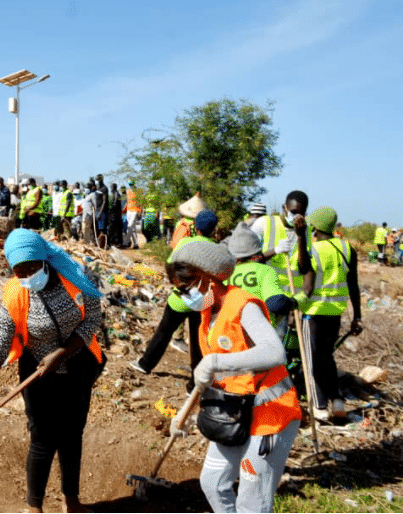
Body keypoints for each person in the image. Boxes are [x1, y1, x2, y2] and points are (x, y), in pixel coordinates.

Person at [0, 229, 104, 513]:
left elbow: (92, 319)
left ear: (44, 260)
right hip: (37, 375)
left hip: (77, 367)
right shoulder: (16, 293)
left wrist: (64, 353)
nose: (27, 275)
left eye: (31, 267)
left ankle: (72, 501)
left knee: (72, 435)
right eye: (19, 271)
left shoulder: (72, 277)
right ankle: (34, 506)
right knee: (42, 438)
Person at [166, 241, 301, 513]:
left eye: (185, 289)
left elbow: (275, 352)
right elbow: (218, 373)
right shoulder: (207, 313)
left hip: (270, 412)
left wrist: (216, 361)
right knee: (213, 482)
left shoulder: (243, 305)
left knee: (252, 500)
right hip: (235, 410)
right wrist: (182, 415)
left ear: (207, 279)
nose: (183, 296)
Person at [129, 209, 218, 383]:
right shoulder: (216, 249)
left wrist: (180, 286)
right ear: (213, 229)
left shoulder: (186, 244)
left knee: (163, 332)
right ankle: (195, 383)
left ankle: (145, 364)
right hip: (203, 300)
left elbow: (170, 265)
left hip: (180, 297)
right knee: (198, 342)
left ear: (196, 227)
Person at [298, 206, 363, 421]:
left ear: (315, 227)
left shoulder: (313, 250)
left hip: (313, 313)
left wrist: (293, 305)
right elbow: (353, 285)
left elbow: (306, 286)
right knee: (327, 357)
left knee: (311, 361)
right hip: (335, 312)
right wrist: (357, 316)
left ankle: (318, 407)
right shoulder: (347, 249)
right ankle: (336, 401)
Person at [248, 190, 312, 292]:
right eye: (294, 212)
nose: (297, 217)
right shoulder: (263, 223)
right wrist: (275, 251)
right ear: (284, 208)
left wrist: (301, 237)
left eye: (302, 213)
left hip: (291, 296)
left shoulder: (306, 229)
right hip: (266, 294)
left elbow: (305, 268)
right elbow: (248, 259)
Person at [80, 182, 99, 246]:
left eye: (87, 188)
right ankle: (87, 241)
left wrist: (94, 213)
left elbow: (95, 205)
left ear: (91, 188)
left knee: (87, 229)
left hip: (89, 214)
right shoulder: (87, 195)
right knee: (84, 229)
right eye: (85, 188)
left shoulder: (93, 195)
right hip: (84, 214)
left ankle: (88, 243)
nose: (86, 189)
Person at [123, 179, 140, 249]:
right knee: (132, 228)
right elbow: (127, 201)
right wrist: (123, 210)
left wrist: (139, 212)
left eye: (131, 184)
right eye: (129, 184)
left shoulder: (138, 192)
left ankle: (126, 242)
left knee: (130, 226)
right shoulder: (128, 191)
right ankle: (136, 244)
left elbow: (140, 202)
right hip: (129, 211)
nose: (130, 186)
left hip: (135, 211)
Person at [107, 183, 123, 247]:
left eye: (111, 187)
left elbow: (115, 205)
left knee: (113, 229)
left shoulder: (115, 194)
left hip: (114, 214)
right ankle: (115, 242)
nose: (111, 188)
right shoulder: (115, 194)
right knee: (116, 229)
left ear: (114, 187)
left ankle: (115, 242)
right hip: (115, 214)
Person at [95, 174, 109, 241]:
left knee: (102, 229)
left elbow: (104, 201)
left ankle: (104, 244)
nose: (96, 181)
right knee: (97, 229)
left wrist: (100, 212)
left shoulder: (104, 188)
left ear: (101, 179)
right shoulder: (97, 188)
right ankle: (98, 243)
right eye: (96, 180)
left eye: (97, 179)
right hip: (96, 210)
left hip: (102, 211)